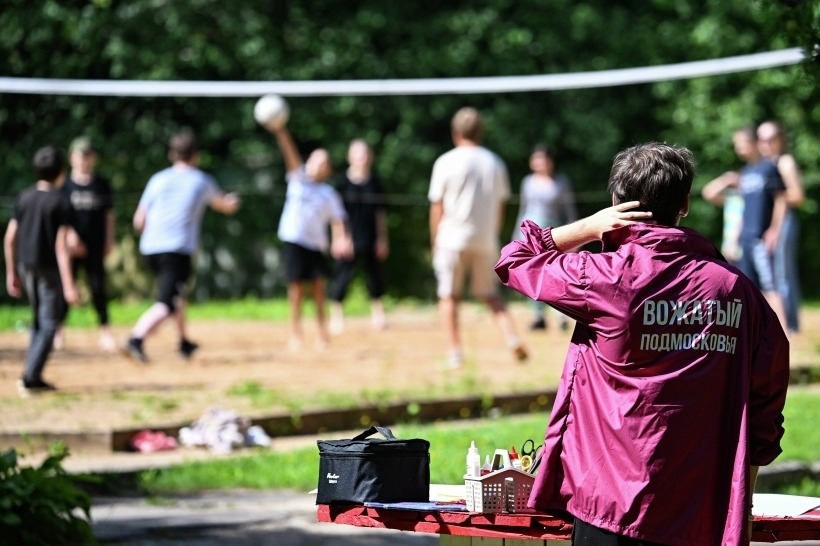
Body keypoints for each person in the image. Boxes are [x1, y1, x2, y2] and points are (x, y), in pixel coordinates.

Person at [495, 142, 789, 545]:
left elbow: (514, 260)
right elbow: (767, 396)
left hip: (607, 506)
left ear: (616, 202)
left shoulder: (603, 277)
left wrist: (586, 227)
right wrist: (743, 497)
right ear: (684, 204)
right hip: (699, 508)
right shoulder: (735, 289)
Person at [124, 130, 241, 362]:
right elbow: (223, 205)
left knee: (178, 296)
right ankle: (136, 338)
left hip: (150, 248)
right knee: (167, 302)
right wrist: (232, 202)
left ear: (172, 154)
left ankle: (184, 342)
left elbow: (139, 220)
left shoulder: (157, 179)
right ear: (195, 155)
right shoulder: (201, 180)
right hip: (176, 250)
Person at [428, 107, 527, 368]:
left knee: (449, 295)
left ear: (456, 133)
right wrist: (492, 233)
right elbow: (501, 205)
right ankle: (512, 337)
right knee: (490, 294)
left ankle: (455, 352)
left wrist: (435, 238)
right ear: (481, 132)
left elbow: (437, 205)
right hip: (485, 238)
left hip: (452, 237)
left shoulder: (445, 161)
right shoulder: (494, 163)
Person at [266, 123, 349, 350]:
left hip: (316, 246)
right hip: (294, 241)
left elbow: (338, 219)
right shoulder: (297, 179)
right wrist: (282, 132)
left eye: (323, 162)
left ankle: (323, 335)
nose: (317, 165)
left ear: (328, 170)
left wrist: (341, 239)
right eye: (314, 160)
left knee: (319, 289)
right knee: (295, 290)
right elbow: (290, 153)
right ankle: (296, 334)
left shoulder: (328, 193)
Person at [4, 146, 79, 395]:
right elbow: (61, 247)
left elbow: (10, 237)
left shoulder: (25, 197)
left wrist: (11, 272)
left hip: (26, 265)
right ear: (61, 172)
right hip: (48, 268)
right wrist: (69, 285)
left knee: (39, 320)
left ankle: (32, 374)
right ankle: (30, 377)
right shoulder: (61, 201)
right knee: (49, 323)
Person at [702, 126, 788, 332]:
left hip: (760, 238)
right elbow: (716, 197)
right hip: (744, 241)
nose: (740, 149)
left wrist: (774, 230)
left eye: (743, 143)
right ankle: (754, 333)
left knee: (770, 286)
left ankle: (784, 334)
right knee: (748, 289)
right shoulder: (745, 173)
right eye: (737, 145)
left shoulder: (769, 168)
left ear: (754, 142)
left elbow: (781, 199)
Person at [53, 136, 116, 352]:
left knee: (98, 288)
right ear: (72, 158)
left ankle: (105, 332)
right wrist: (69, 236)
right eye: (81, 154)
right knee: (65, 289)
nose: (84, 159)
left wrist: (109, 239)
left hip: (95, 245)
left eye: (88, 154)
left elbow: (109, 215)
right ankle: (58, 332)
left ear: (94, 158)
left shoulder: (102, 184)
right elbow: (58, 218)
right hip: (69, 249)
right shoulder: (63, 187)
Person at [512, 144, 577, 331]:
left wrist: (575, 235)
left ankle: (562, 314)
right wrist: (517, 233)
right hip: (530, 233)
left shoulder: (561, 182)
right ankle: (538, 314)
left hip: (552, 232)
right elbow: (523, 209)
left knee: (556, 273)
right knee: (532, 274)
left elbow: (569, 210)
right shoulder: (528, 182)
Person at [328, 139, 389, 333]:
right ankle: (337, 315)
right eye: (357, 153)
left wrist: (382, 239)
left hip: (370, 235)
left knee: (374, 275)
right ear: (349, 157)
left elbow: (380, 214)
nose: (361, 157)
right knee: (343, 276)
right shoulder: (342, 183)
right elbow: (335, 214)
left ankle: (378, 314)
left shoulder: (375, 182)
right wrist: (340, 238)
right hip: (348, 236)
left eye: (364, 153)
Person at [757, 120, 804, 335]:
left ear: (780, 140)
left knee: (783, 274)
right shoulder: (764, 165)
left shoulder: (784, 162)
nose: (765, 143)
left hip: (784, 223)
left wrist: (777, 199)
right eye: (761, 139)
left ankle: (791, 325)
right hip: (771, 225)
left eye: (770, 139)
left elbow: (797, 195)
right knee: (776, 275)